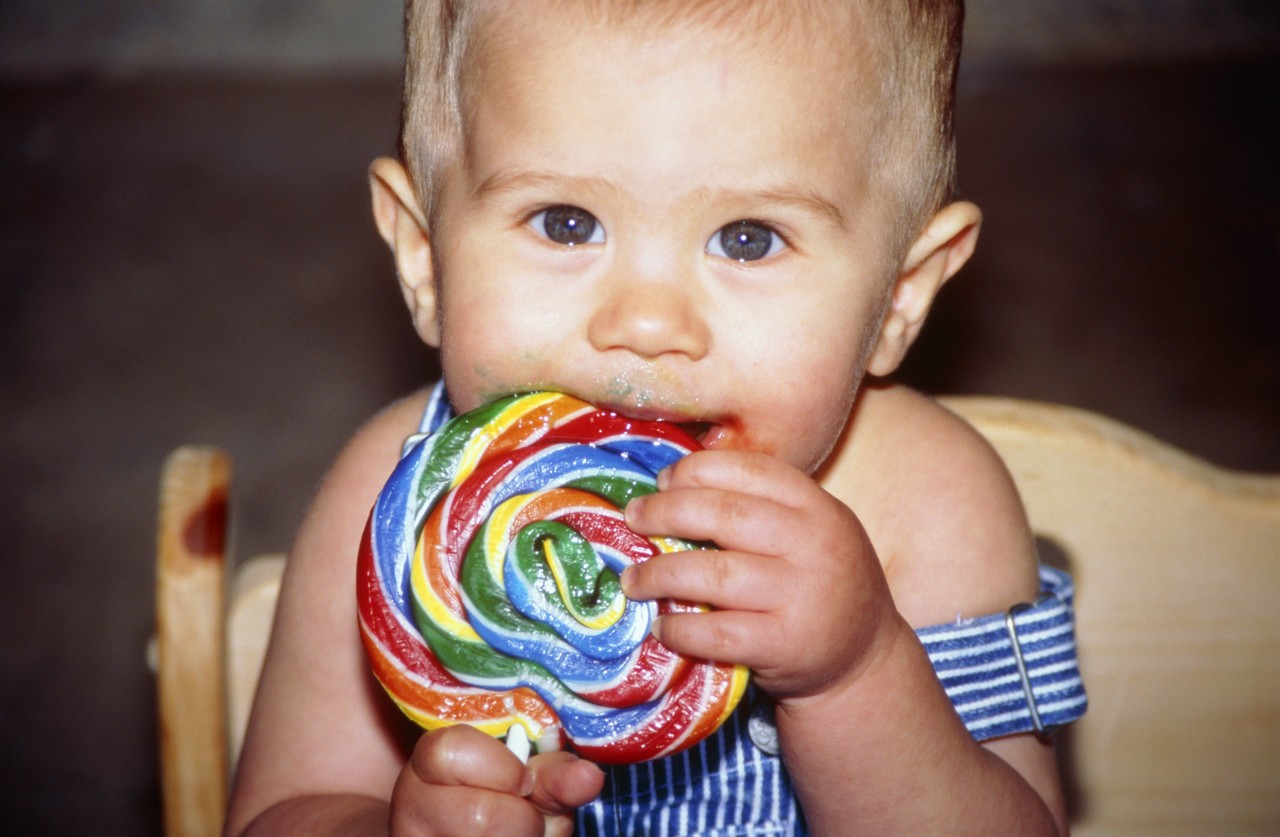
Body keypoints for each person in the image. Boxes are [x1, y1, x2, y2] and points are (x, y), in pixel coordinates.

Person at [226, 1, 1085, 833]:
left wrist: (858, 673)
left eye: (747, 237)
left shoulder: (930, 506)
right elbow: (281, 809)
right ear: (424, 255)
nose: (645, 322)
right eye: (566, 224)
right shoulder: (407, 518)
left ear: (900, 294)